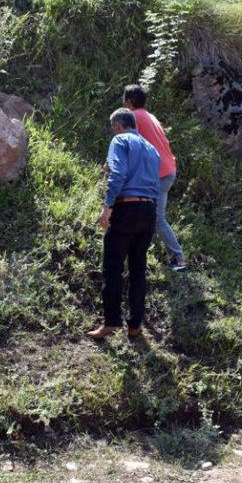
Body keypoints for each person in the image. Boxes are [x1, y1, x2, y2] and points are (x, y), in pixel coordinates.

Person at [87, 108, 160, 339]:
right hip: (149, 210)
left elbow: (118, 174)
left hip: (126, 208)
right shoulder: (152, 149)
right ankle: (135, 325)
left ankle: (110, 322)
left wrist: (108, 207)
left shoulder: (119, 140)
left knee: (113, 266)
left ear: (118, 125)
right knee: (138, 269)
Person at [122, 84, 186, 271]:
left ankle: (179, 258)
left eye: (124, 99)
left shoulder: (133, 117)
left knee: (156, 218)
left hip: (158, 175)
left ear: (129, 101)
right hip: (166, 171)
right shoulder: (150, 116)